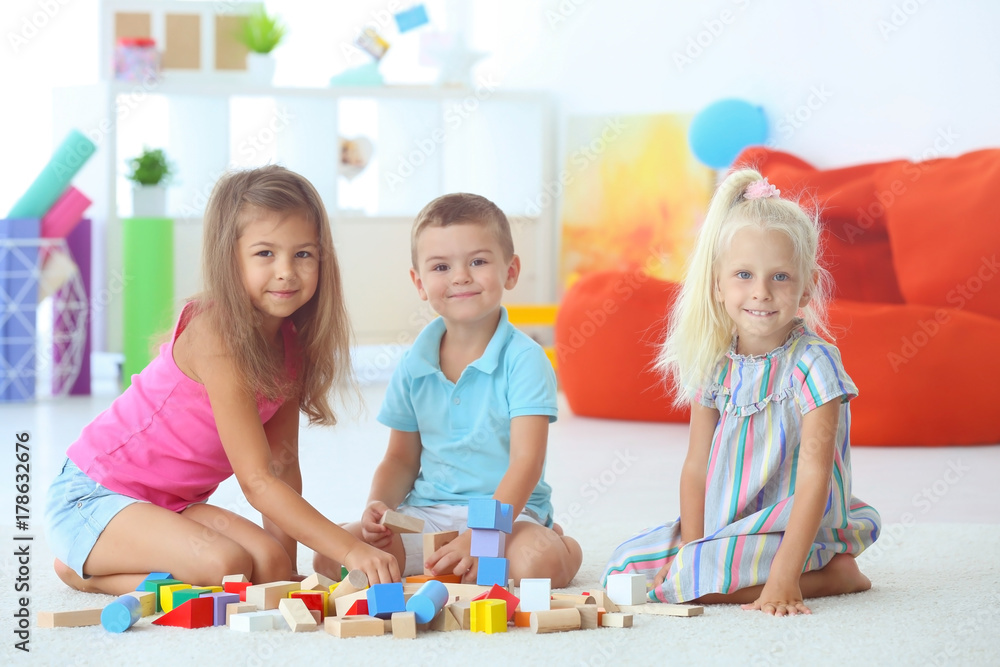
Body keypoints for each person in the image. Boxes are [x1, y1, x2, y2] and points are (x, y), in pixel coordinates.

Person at [44, 165, 399, 595]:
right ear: (230, 259)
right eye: (265, 254)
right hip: (94, 496)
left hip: (174, 506)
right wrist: (350, 551)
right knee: (227, 565)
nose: (286, 271)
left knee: (267, 565)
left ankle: (122, 553)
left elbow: (282, 465)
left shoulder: (291, 344)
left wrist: (285, 573)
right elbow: (257, 481)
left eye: (303, 254)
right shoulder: (217, 335)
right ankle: (83, 570)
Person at [602, 169, 881, 615]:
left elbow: (816, 478)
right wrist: (692, 550)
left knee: (681, 585)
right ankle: (708, 568)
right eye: (744, 275)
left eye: (781, 277)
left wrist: (785, 579)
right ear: (718, 285)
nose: (761, 293)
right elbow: (695, 466)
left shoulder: (813, 363)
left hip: (794, 529)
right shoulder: (715, 361)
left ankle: (830, 576)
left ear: (807, 286)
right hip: (728, 525)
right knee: (622, 570)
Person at [314, 193, 582, 587]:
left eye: (478, 261)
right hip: (428, 513)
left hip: (508, 514)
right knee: (331, 557)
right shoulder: (413, 364)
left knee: (534, 567)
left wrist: (484, 534)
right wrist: (379, 507)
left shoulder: (525, 359)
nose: (460, 277)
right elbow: (401, 459)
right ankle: (445, 554)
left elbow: (525, 463)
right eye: (442, 266)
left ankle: (564, 545)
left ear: (510, 271)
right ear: (419, 283)